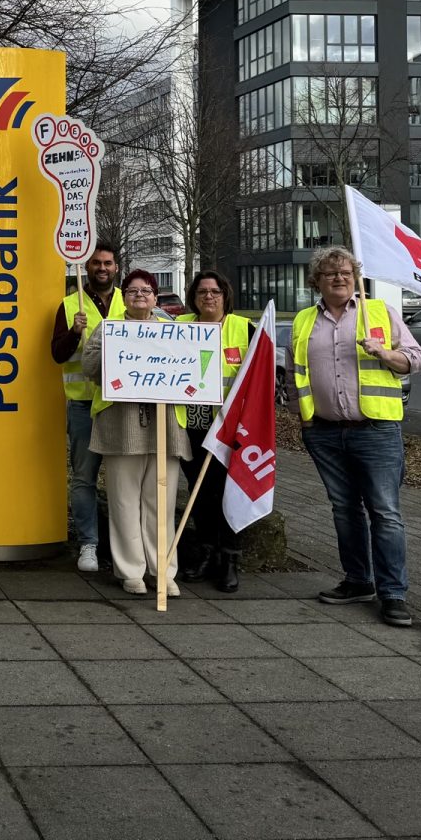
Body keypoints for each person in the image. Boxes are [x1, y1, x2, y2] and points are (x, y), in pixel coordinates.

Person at [291, 245, 421, 628]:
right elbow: (293, 374)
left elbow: (415, 359)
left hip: (376, 431)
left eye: (346, 272)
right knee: (344, 511)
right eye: (330, 272)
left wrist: (384, 353)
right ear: (316, 281)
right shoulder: (302, 321)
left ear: (357, 278)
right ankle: (357, 580)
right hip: (325, 433)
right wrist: (304, 422)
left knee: (385, 513)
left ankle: (393, 594)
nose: (339, 277)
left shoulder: (378, 313)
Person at [80, 269, 188, 597]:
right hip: (121, 426)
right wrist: (118, 356)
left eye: (146, 290)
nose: (139, 295)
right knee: (124, 502)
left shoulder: (174, 331)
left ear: (156, 297)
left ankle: (163, 570)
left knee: (161, 503)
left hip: (164, 427)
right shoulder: (109, 329)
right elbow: (89, 367)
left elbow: (192, 368)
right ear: (123, 296)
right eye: (132, 290)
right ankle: (131, 570)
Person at [176, 270, 254, 593]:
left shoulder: (243, 329)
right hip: (191, 426)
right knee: (199, 493)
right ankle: (206, 552)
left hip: (229, 431)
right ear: (194, 297)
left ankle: (230, 559)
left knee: (227, 494)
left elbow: (256, 382)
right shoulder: (178, 328)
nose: (209, 296)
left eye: (215, 291)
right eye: (202, 291)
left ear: (225, 296)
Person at [50, 242, 123, 573]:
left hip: (122, 406)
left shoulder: (131, 299)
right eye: (96, 263)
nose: (102, 268)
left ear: (116, 267)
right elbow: (57, 355)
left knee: (125, 479)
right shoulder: (68, 306)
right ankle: (88, 544)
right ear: (87, 268)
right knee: (84, 478)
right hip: (83, 404)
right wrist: (74, 332)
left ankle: (125, 546)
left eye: (107, 263)